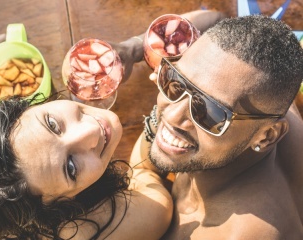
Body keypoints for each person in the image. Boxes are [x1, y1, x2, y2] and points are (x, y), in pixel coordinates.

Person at [0, 37, 174, 239]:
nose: (90, 131)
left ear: (24, 105)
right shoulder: (140, 216)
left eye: (51, 124)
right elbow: (146, 173)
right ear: (63, 206)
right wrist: (164, 111)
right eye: (70, 167)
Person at [124, 14, 303, 239]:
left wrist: (154, 202)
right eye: (175, 81)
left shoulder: (230, 233)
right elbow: (216, 19)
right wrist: (129, 50)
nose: (172, 114)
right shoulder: (257, 91)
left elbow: (141, 167)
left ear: (266, 137)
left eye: (210, 111)